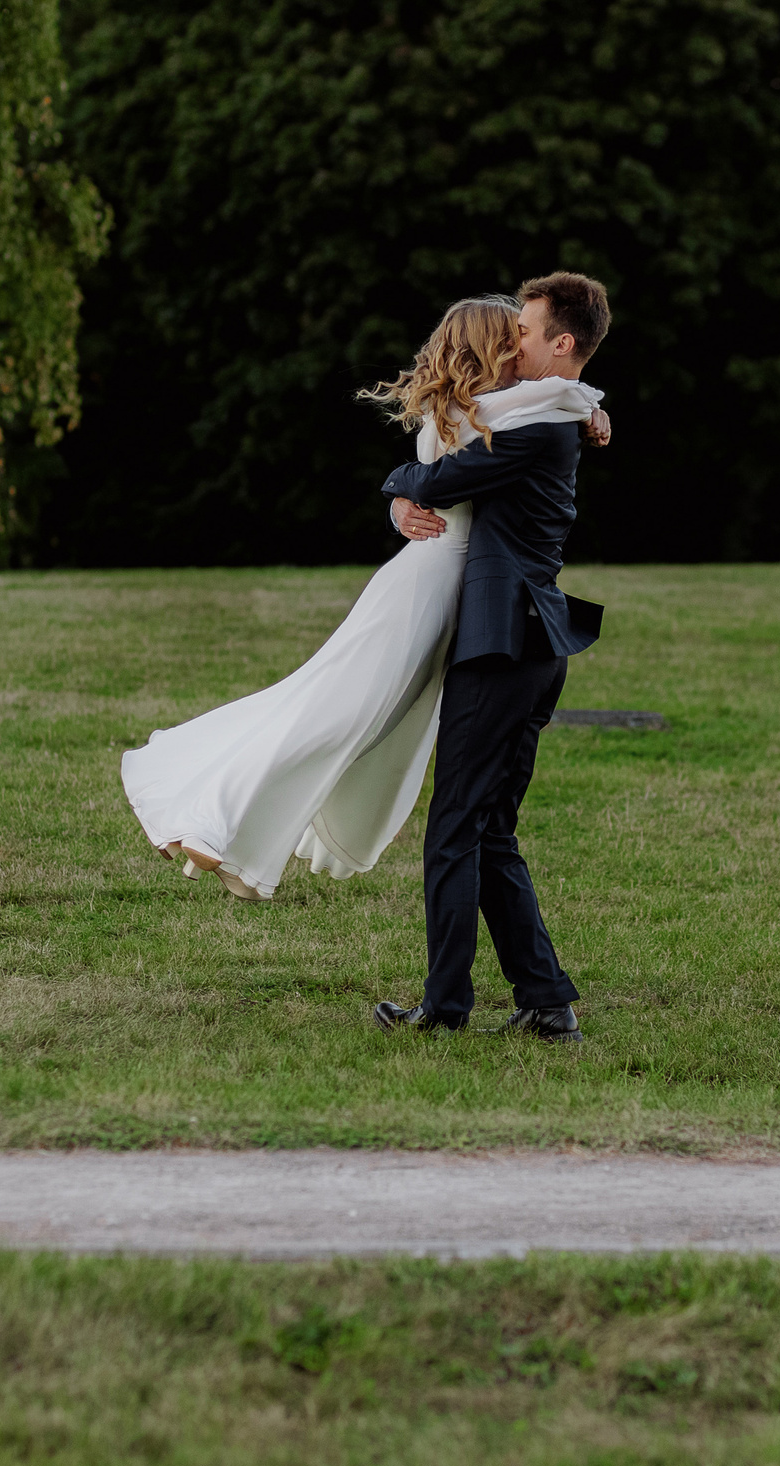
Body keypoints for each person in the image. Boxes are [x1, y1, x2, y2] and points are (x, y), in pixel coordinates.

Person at [118, 293, 608, 904]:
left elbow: (550, 401)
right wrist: (402, 488)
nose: (521, 350)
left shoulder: (486, 409)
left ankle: (240, 834)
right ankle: (210, 818)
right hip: (423, 592)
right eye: (511, 340)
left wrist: (587, 407)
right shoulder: (481, 412)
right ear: (488, 350)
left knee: (358, 725)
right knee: (334, 714)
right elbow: (516, 424)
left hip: (441, 591)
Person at [370, 271, 610, 1043]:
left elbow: (445, 474)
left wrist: (400, 485)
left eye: (528, 333)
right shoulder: (553, 412)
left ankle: (444, 1008)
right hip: (528, 646)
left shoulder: (542, 426)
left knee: (454, 827)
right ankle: (547, 1002)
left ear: (561, 344)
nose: (517, 342)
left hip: (503, 645)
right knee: (489, 830)